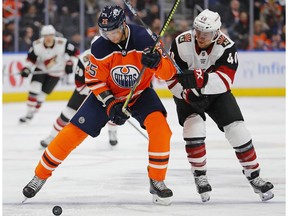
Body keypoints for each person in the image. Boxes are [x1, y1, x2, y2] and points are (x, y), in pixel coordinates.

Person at [22, 5, 177, 205]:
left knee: (161, 129)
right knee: (72, 132)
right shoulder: (100, 47)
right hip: (108, 95)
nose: (109, 36)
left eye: (113, 31)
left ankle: (157, 179)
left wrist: (157, 63)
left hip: (140, 93)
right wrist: (111, 104)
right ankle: (40, 176)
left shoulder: (146, 39)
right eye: (105, 31)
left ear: (123, 24)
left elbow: (169, 73)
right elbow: (94, 81)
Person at [167, 9, 274, 202]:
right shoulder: (181, 43)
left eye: (206, 33)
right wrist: (184, 92)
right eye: (197, 30)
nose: (200, 36)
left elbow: (225, 81)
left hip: (216, 95)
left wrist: (199, 79)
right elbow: (170, 78)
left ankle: (255, 176)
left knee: (238, 130)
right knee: (194, 129)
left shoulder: (227, 47)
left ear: (216, 33)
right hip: (187, 95)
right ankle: (200, 176)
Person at [40, 47, 118, 148]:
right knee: (66, 114)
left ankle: (113, 133)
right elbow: (79, 84)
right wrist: (94, 90)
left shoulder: (115, 56)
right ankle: (52, 136)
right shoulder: (84, 59)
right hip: (85, 92)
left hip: (106, 91)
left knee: (113, 112)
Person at [19, 25, 80, 123]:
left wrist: (70, 63)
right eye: (45, 35)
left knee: (41, 96)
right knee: (34, 89)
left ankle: (33, 112)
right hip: (41, 69)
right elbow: (31, 59)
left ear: (54, 35)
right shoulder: (36, 45)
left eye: (50, 35)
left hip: (56, 73)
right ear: (42, 36)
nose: (48, 38)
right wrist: (27, 68)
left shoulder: (62, 43)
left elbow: (75, 53)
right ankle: (28, 114)